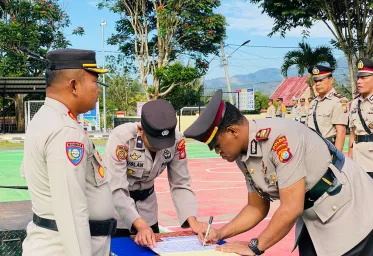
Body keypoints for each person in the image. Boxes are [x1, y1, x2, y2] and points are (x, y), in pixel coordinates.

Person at [183, 89, 373, 256]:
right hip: (316, 214)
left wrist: (255, 246)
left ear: (233, 131)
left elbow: (291, 208)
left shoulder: (280, 139)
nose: (218, 152)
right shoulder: (243, 153)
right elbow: (256, 207)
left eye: (217, 145)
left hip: (351, 211)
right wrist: (220, 233)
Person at [21, 49, 116, 256]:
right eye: (94, 82)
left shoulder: (46, 118)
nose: (98, 90)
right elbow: (71, 210)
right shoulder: (65, 131)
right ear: (74, 85)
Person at [103, 99, 206, 248]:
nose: (160, 148)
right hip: (117, 210)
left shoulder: (177, 141)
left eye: (165, 143)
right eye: (154, 142)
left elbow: (180, 183)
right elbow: (116, 187)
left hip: (147, 208)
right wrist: (140, 225)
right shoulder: (122, 139)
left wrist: (193, 221)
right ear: (140, 130)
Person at [306, 65, 348, 151]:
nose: (317, 84)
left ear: (331, 80)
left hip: (328, 148)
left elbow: (341, 132)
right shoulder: (314, 102)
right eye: (315, 81)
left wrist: (336, 157)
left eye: (321, 80)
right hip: (312, 148)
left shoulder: (338, 101)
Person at [348, 58, 373, 176]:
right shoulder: (354, 103)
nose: (359, 81)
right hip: (358, 160)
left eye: (364, 78)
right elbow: (353, 133)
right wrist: (350, 158)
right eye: (358, 77)